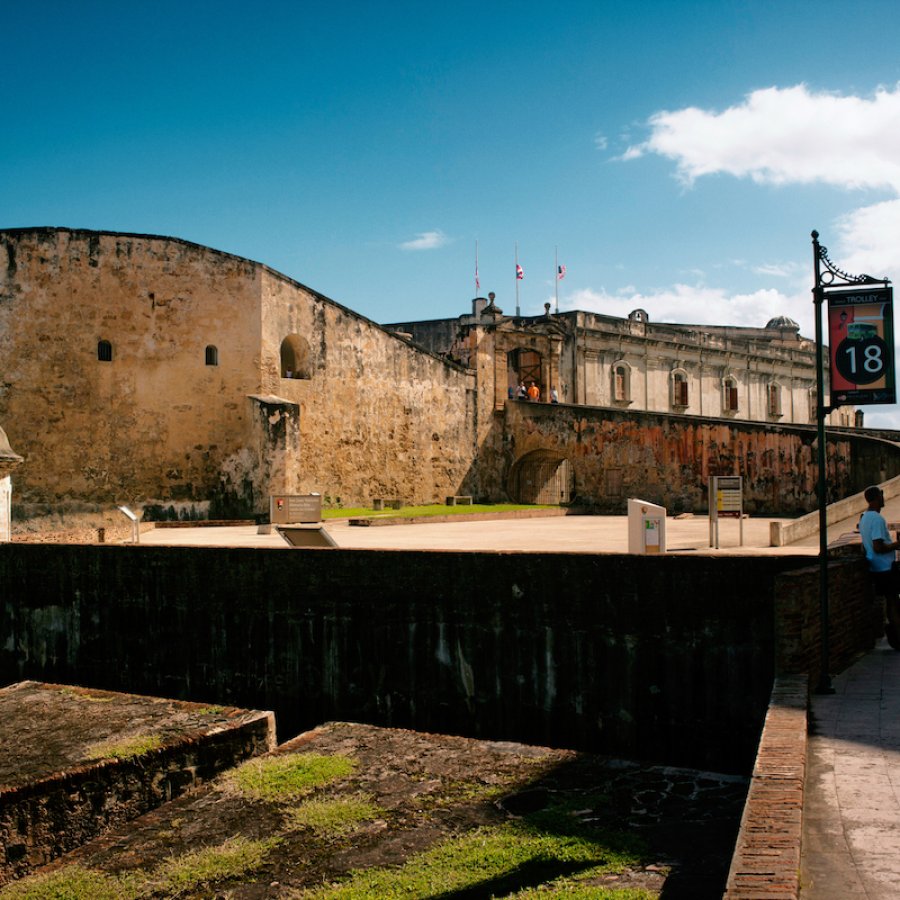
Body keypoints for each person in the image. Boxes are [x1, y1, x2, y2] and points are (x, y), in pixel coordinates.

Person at [859, 485, 900, 648]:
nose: (884, 499)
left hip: (875, 566)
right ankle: (898, 636)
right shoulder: (877, 519)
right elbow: (878, 546)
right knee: (893, 603)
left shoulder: (864, 518)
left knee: (891, 602)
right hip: (884, 567)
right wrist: (897, 544)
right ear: (876, 498)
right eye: (881, 496)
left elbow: (865, 546)